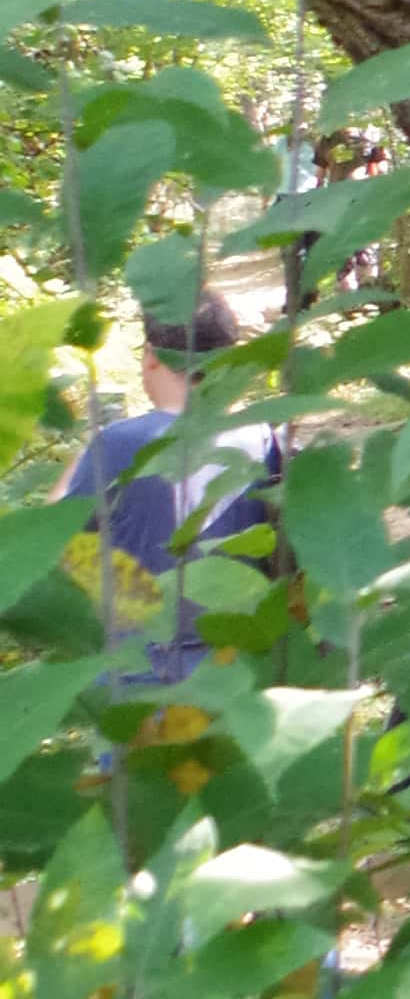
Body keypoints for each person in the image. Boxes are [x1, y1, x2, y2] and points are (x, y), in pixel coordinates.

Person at [57, 250, 276, 682]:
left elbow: (57, 542)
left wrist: (85, 451)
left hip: (140, 671)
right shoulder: (265, 439)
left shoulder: (119, 443)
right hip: (235, 670)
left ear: (152, 356)